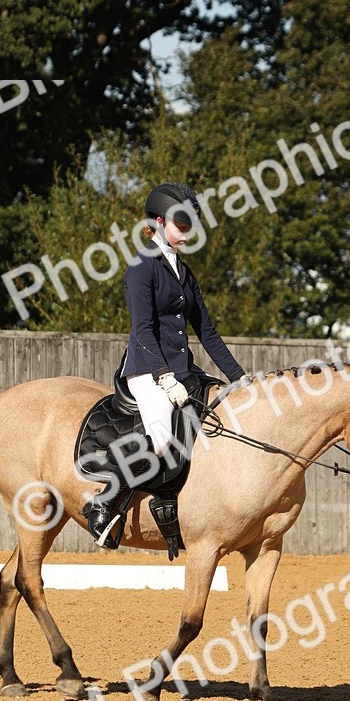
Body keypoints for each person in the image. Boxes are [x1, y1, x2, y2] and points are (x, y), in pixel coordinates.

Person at [84, 182, 247, 545]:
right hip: (146, 369)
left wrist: (240, 377)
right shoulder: (141, 267)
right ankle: (105, 502)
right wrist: (163, 375)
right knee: (159, 442)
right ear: (160, 223)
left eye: (192, 225)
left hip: (183, 370)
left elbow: (208, 333)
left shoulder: (185, 274)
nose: (189, 232)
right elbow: (142, 328)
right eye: (183, 224)